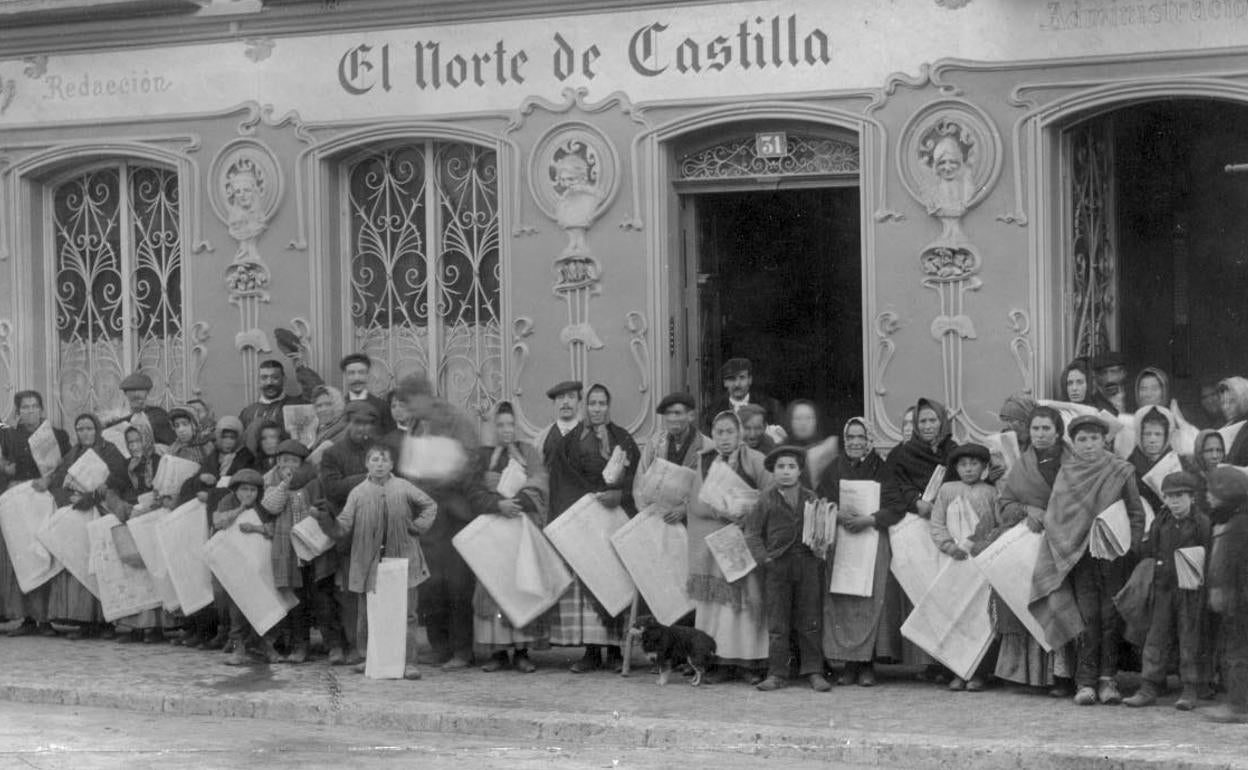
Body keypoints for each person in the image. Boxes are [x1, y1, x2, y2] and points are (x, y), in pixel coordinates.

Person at [1029, 415, 1145, 706]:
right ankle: (1085, 682)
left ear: (1104, 440)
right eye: (1082, 439)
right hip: (1080, 558)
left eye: (1094, 438)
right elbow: (1056, 516)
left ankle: (1108, 680)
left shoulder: (1120, 470)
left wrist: (1127, 547)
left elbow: (1136, 513)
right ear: (1073, 442)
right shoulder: (1067, 473)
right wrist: (1070, 544)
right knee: (1088, 617)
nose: (1089, 444)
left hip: (1113, 558)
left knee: (1110, 617)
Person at [393, 373, 501, 672]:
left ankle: (462, 651)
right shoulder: (416, 426)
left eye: (410, 403)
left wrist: (445, 480)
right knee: (431, 584)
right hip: (427, 517)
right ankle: (439, 647)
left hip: (455, 513)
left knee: (457, 584)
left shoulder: (456, 420)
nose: (408, 410)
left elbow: (472, 460)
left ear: (424, 396)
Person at [971, 406, 1073, 695]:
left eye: (1046, 429)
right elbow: (1004, 504)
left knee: (1056, 603)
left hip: (1062, 543)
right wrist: (1028, 509)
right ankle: (1028, 675)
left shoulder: (1072, 462)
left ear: (1058, 432)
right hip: (1028, 542)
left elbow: (1079, 499)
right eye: (1036, 429)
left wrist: (1049, 515)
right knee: (1025, 602)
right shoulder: (1022, 463)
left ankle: (1062, 677)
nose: (1040, 434)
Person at [315, 443, 437, 681]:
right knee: (367, 612)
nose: (379, 465)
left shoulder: (403, 487)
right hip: (368, 560)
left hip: (403, 558)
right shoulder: (358, 493)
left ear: (392, 465)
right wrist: (325, 520)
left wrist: (419, 525)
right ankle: (368, 657)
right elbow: (342, 526)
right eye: (374, 460)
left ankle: (408, 661)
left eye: (384, 460)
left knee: (407, 613)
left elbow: (430, 505)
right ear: (366, 464)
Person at [547, 383, 641, 673]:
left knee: (612, 579)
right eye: (592, 404)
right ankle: (590, 651)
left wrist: (619, 495)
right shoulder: (572, 441)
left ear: (608, 406)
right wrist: (585, 504)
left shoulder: (623, 439)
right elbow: (561, 477)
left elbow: (636, 478)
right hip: (585, 521)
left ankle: (614, 650)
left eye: (602, 403)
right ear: (585, 407)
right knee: (588, 581)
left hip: (611, 520)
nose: (597, 409)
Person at [687, 411, 771, 685]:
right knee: (718, 608)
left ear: (740, 434)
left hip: (744, 542)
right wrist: (722, 512)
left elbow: (770, 496)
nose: (724, 438)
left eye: (729, 432)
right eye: (719, 432)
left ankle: (749, 663)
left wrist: (748, 516)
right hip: (715, 544)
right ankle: (718, 661)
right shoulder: (703, 461)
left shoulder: (755, 460)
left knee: (745, 607)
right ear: (712, 435)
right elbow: (696, 505)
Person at [744, 445, 830, 693]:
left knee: (809, 620)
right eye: (780, 467)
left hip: (807, 563)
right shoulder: (766, 500)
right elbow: (752, 534)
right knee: (778, 623)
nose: (786, 471)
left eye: (791, 466)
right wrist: (766, 560)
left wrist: (819, 550)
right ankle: (777, 673)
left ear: (800, 470)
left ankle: (814, 671)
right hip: (777, 567)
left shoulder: (811, 498)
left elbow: (823, 531)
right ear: (772, 471)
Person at [1123, 471, 1211, 710]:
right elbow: (1150, 549)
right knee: (1156, 638)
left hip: (1190, 591)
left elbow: (1208, 557)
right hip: (1163, 588)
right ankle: (1149, 686)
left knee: (1189, 638)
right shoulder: (1161, 521)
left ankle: (1190, 688)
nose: (1174, 501)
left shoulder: (1201, 522)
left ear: (1192, 497)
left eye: (1180, 496)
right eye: (1169, 496)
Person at [816, 417, 892, 687]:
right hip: (842, 541)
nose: (856, 443)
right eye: (851, 438)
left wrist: (870, 519)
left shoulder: (882, 468)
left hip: (872, 539)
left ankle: (867, 664)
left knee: (868, 603)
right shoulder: (832, 469)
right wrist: (836, 513)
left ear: (870, 440)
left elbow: (895, 505)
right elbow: (820, 501)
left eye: (861, 437)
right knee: (844, 602)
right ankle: (848, 664)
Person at [475, 402, 551, 673]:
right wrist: (498, 505)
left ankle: (521, 650)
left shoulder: (528, 452)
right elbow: (473, 492)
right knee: (493, 588)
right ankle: (497, 652)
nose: (506, 430)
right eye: (500, 425)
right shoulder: (483, 455)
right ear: (493, 427)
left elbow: (540, 483)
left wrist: (516, 502)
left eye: (510, 424)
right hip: (493, 528)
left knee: (519, 585)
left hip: (520, 526)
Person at [40, 413, 128, 639]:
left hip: (101, 508)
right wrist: (68, 499)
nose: (85, 433)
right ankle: (80, 619)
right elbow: (59, 483)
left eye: (89, 428)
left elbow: (119, 479)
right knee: (63, 536)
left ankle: (102, 621)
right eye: (80, 429)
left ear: (97, 429)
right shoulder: (72, 454)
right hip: (77, 508)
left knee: (94, 553)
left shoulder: (110, 451)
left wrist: (90, 497)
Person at [261, 439, 345, 665]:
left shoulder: (316, 482)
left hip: (315, 549)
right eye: (282, 460)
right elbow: (270, 507)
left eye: (292, 461)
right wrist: (284, 485)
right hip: (289, 552)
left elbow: (327, 507)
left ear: (302, 463)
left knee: (322, 599)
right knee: (296, 602)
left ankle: (334, 645)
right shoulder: (272, 482)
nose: (286, 465)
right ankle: (300, 646)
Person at [0, 390, 70, 637]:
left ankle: (46, 619)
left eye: (34, 406)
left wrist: (49, 479)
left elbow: (66, 466)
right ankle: (26, 618)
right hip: (18, 502)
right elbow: (4, 467)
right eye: (25, 407)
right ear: (17, 412)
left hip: (43, 498)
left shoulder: (56, 435)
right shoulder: (8, 437)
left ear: (42, 409)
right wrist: (6, 471)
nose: (30, 411)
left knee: (43, 553)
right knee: (22, 557)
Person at [928, 443, 997, 691]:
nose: (968, 469)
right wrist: (948, 546)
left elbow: (997, 525)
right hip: (952, 562)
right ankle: (956, 671)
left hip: (979, 564)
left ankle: (978, 673)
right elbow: (936, 522)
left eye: (974, 464)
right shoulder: (947, 490)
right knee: (953, 615)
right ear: (956, 467)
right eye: (963, 464)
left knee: (979, 618)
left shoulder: (991, 492)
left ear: (984, 467)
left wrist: (984, 546)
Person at [318, 400, 380, 661]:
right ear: (347, 423)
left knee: (375, 589)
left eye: (367, 424)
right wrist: (367, 477)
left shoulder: (380, 451)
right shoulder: (333, 454)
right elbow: (332, 489)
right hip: (347, 531)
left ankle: (375, 644)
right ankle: (355, 646)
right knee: (350, 592)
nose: (362, 429)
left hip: (377, 528)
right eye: (357, 423)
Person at [211, 469, 282, 666]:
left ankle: (265, 643)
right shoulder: (227, 501)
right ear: (235, 490)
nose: (248, 494)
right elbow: (218, 522)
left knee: (264, 602)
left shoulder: (265, 505)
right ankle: (237, 646)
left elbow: (273, 529)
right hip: (235, 563)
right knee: (237, 605)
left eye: (252, 490)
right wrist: (240, 509)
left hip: (260, 563)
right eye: (243, 489)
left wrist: (255, 528)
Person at [1202, 467, 1248, 723]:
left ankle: (1239, 706)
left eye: (1212, 491)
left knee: (1238, 652)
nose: (1207, 496)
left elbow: (1229, 563)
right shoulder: (1234, 518)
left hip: (1240, 600)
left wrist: (1221, 590)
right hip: (1239, 598)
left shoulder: (1239, 523)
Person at [634, 392, 710, 524]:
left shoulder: (707, 446)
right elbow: (640, 480)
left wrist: (685, 509)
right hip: (656, 518)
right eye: (668, 413)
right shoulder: (655, 443)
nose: (672, 418)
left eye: (677, 413)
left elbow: (711, 491)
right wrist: (647, 513)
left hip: (693, 523)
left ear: (691, 415)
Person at [239, 359, 304, 453]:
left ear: (284, 379)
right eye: (264, 378)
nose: (269, 382)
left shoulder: (296, 405)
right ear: (258, 381)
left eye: (275, 377)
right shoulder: (248, 412)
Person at [707, 358, 783, 432]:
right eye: (732, 379)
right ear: (725, 383)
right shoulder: (713, 411)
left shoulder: (771, 407)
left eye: (742, 378)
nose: (737, 384)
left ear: (750, 380)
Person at [106, 373, 176, 446]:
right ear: (126, 395)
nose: (136, 394)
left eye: (139, 398)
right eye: (133, 399)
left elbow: (168, 442)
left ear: (147, 394)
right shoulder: (120, 417)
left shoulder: (157, 414)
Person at [339, 353, 395, 435]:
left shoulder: (382, 407)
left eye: (361, 373)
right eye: (351, 373)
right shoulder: (339, 407)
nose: (356, 378)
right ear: (345, 376)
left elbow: (390, 438)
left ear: (368, 375)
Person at [533, 381, 582, 467]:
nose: (566, 402)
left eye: (571, 397)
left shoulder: (588, 434)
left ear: (579, 402)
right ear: (554, 403)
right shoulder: (542, 439)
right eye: (561, 397)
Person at [307, 385, 348, 465]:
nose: (323, 409)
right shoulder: (318, 429)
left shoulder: (344, 431)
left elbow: (311, 463)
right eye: (319, 406)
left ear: (338, 405)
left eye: (328, 404)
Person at [1217, 377, 1248, 466]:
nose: (1226, 407)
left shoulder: (1245, 428)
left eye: (1231, 402)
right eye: (1223, 403)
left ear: (1244, 399)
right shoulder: (1225, 425)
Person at [1089, 351, 1130, 416]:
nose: (1109, 379)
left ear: (1123, 373)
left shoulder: (1134, 397)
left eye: (1113, 372)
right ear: (1097, 377)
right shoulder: (1091, 406)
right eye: (1103, 373)